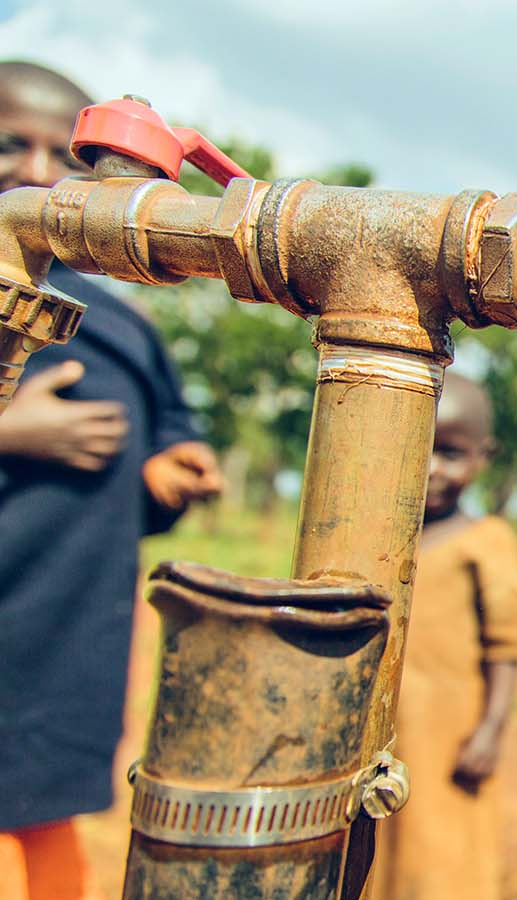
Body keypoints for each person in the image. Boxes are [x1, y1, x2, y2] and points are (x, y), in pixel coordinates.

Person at [0, 61, 222, 899]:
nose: (31, 171)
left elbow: (170, 428)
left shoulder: (123, 321)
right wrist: (17, 431)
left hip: (73, 616)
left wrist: (169, 469)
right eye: (6, 144)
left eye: (59, 154)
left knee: (46, 802)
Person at [368, 372, 517, 900]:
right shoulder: (375, 538)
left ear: (482, 457)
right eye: (422, 446)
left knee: (442, 850)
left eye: (452, 452)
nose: (432, 467)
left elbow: (506, 647)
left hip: (449, 733)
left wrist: (490, 730)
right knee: (379, 842)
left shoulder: (486, 543)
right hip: (383, 726)